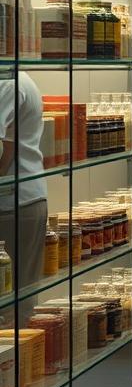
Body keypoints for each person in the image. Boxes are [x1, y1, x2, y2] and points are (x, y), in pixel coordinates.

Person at [0, 72, 48, 290]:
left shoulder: (7, 80)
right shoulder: (16, 79)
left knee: (14, 296)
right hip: (21, 199)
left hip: (13, 204)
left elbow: (5, 151)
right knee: (21, 291)